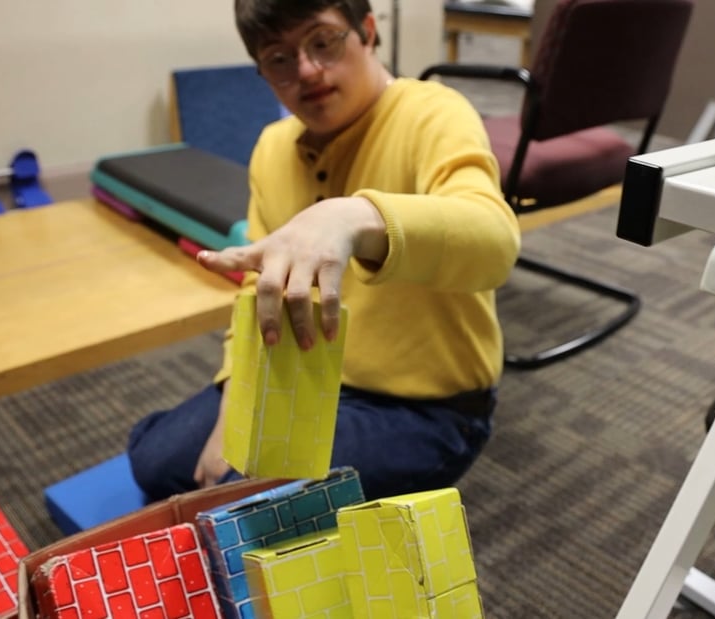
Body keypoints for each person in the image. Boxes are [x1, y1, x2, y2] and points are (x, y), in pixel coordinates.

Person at [127, 0, 521, 502]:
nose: (307, 70)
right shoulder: (272, 146)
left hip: (428, 407)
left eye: (323, 41)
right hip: (304, 381)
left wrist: (355, 217)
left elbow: (495, 242)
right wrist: (235, 404)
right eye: (279, 58)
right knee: (154, 461)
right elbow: (258, 289)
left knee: (236, 494)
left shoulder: (433, 112)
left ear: (368, 31)